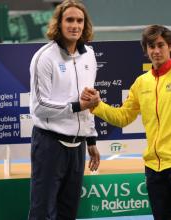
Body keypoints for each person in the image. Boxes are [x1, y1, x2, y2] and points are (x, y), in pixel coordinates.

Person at [82, 25, 171, 220]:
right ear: (146, 50)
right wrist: (97, 105)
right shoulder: (141, 83)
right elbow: (123, 117)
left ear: (170, 46)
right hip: (153, 167)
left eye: (160, 45)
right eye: (151, 46)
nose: (156, 51)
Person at [28, 0, 100, 219]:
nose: (75, 25)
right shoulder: (44, 57)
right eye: (69, 20)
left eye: (79, 21)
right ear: (58, 24)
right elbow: (40, 107)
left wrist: (91, 140)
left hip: (77, 148)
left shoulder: (89, 55)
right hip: (50, 146)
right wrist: (78, 106)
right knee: (43, 212)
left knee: (68, 213)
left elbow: (89, 102)